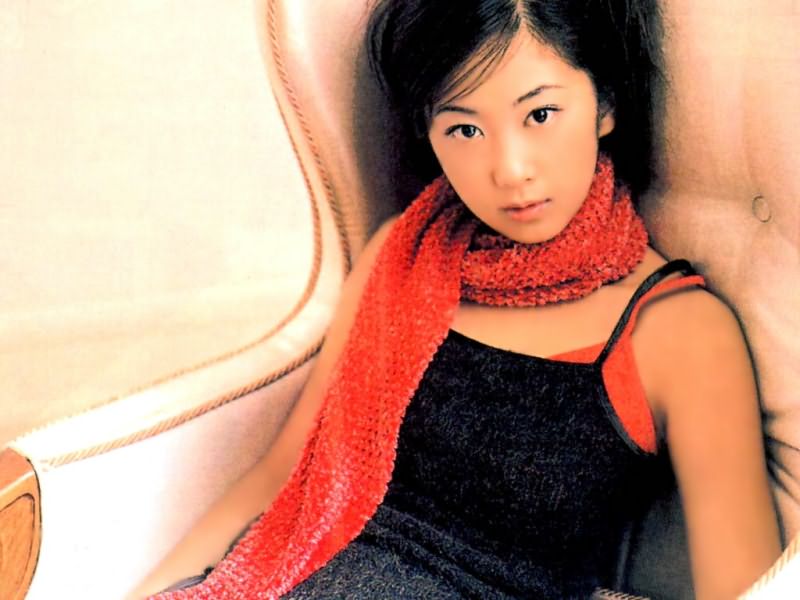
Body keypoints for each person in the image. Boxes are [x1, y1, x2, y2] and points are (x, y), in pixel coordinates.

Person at [132, 1, 781, 598]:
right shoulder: (404, 255)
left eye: (540, 115)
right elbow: (280, 476)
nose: (510, 169)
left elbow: (748, 589)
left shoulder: (681, 334)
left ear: (604, 104)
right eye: (465, 129)